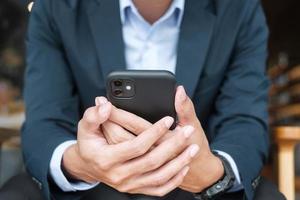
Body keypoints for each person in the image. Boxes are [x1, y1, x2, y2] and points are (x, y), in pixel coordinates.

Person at [0, 0, 286, 200]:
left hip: (196, 183)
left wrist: (212, 173)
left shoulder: (239, 8)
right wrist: (81, 163)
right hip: (92, 185)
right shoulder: (57, 7)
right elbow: (44, 121)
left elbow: (245, 119)